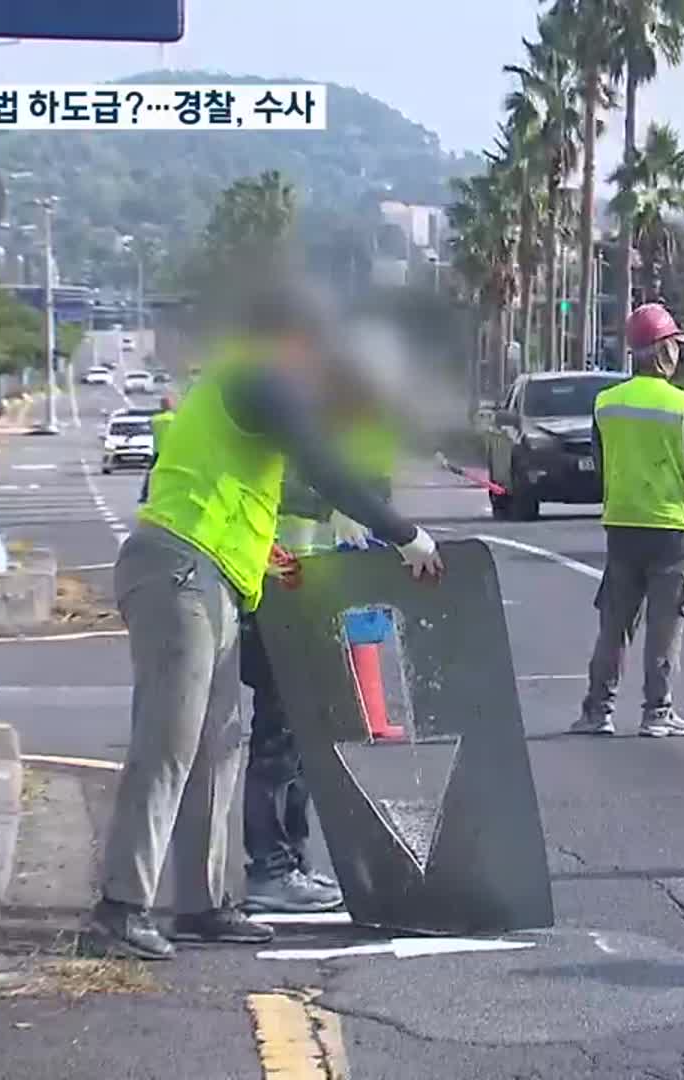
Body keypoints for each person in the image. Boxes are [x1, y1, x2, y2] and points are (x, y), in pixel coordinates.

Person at [86, 280, 445, 961]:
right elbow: (324, 467)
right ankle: (120, 905)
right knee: (168, 742)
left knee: (218, 744)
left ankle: (201, 904)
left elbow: (247, 485)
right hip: (179, 573)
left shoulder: (246, 382)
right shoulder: (259, 377)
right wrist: (407, 535)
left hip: (210, 576)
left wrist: (262, 553)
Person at [240, 411, 399, 914]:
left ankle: (290, 862)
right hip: (282, 595)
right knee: (280, 740)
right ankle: (271, 868)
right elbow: (298, 487)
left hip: (310, 595)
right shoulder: (294, 423)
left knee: (301, 739)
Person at [570, 303, 684, 738]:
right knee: (665, 622)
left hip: (623, 524)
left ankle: (598, 710)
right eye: (675, 347)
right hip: (674, 527)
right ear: (663, 351)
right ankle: (658, 711)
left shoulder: (605, 404)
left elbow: (599, 462)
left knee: (615, 622)